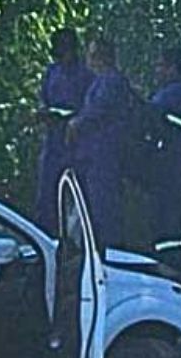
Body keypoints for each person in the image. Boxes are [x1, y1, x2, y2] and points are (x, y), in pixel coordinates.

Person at [67, 37, 134, 248]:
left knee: (104, 207)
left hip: (105, 154)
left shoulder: (112, 81)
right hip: (93, 154)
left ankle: (110, 251)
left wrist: (75, 124)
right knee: (93, 206)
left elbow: (98, 111)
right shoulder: (99, 81)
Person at [34, 29, 94, 235]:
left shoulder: (86, 75)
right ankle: (46, 238)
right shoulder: (52, 71)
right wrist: (43, 113)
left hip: (77, 143)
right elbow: (44, 99)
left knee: (79, 197)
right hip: (53, 141)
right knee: (46, 196)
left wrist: (75, 117)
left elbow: (92, 108)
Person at [144, 46, 181, 273]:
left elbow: (154, 118)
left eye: (161, 66)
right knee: (162, 220)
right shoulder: (168, 93)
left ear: (173, 68)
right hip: (166, 167)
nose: (157, 71)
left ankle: (172, 268)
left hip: (174, 167)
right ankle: (166, 264)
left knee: (170, 222)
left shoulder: (178, 93)